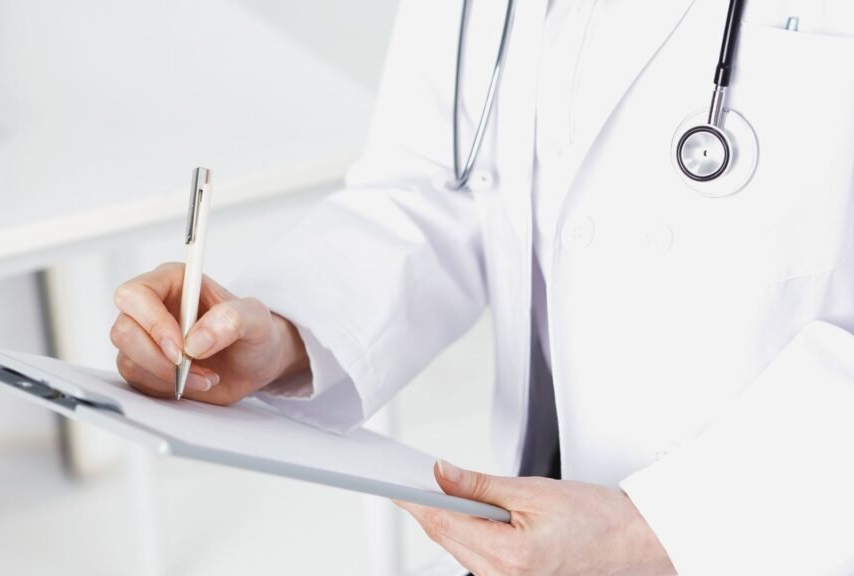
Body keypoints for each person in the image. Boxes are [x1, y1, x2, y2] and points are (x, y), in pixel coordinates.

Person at [109, 0, 854, 573]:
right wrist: (281, 334)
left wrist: (660, 529)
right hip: (538, 525)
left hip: (782, 527)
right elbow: (444, 179)